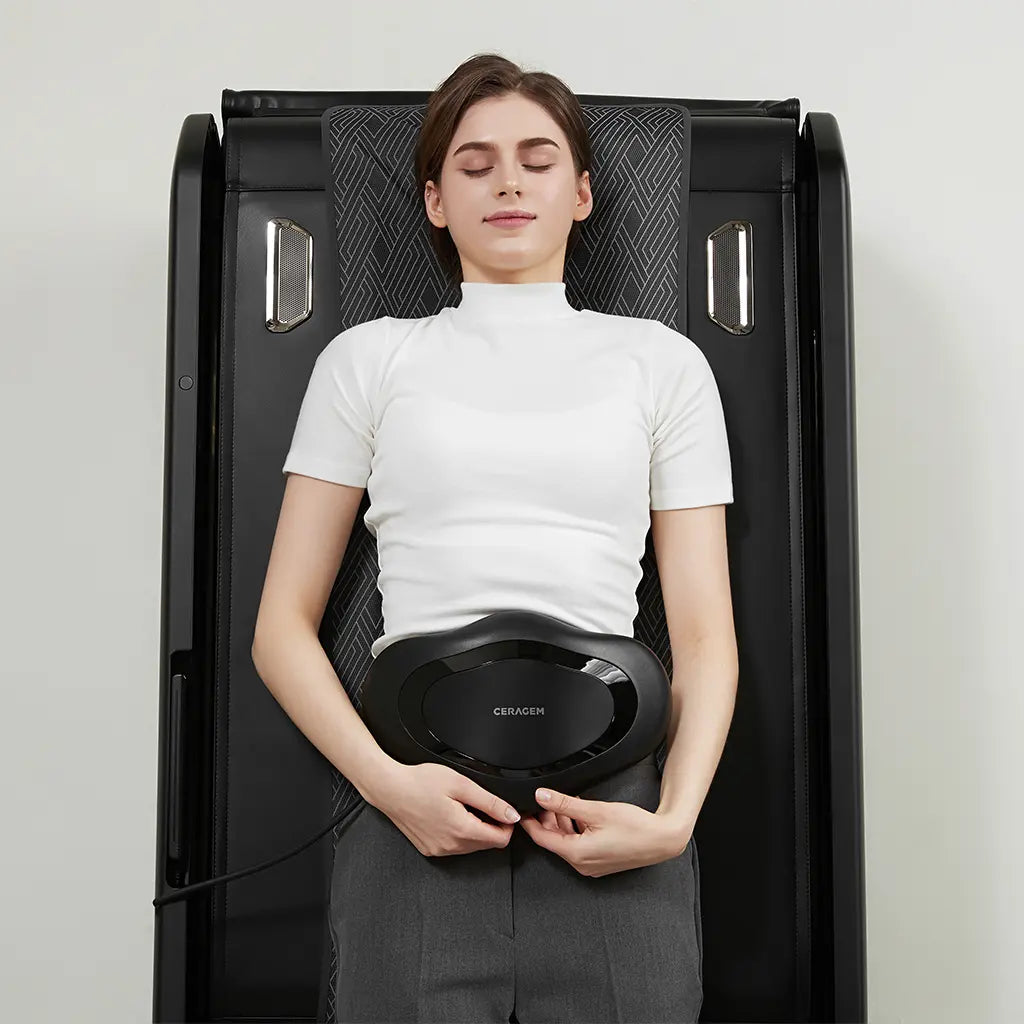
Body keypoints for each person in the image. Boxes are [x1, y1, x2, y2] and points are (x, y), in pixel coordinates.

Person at [253, 52, 737, 1023]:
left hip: (611, 802)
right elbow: (279, 627)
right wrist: (391, 789)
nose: (508, 181)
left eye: (536, 158)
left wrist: (671, 822)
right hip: (415, 796)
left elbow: (704, 635)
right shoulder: (371, 359)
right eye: (473, 165)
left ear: (583, 191)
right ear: (433, 201)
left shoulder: (661, 365)